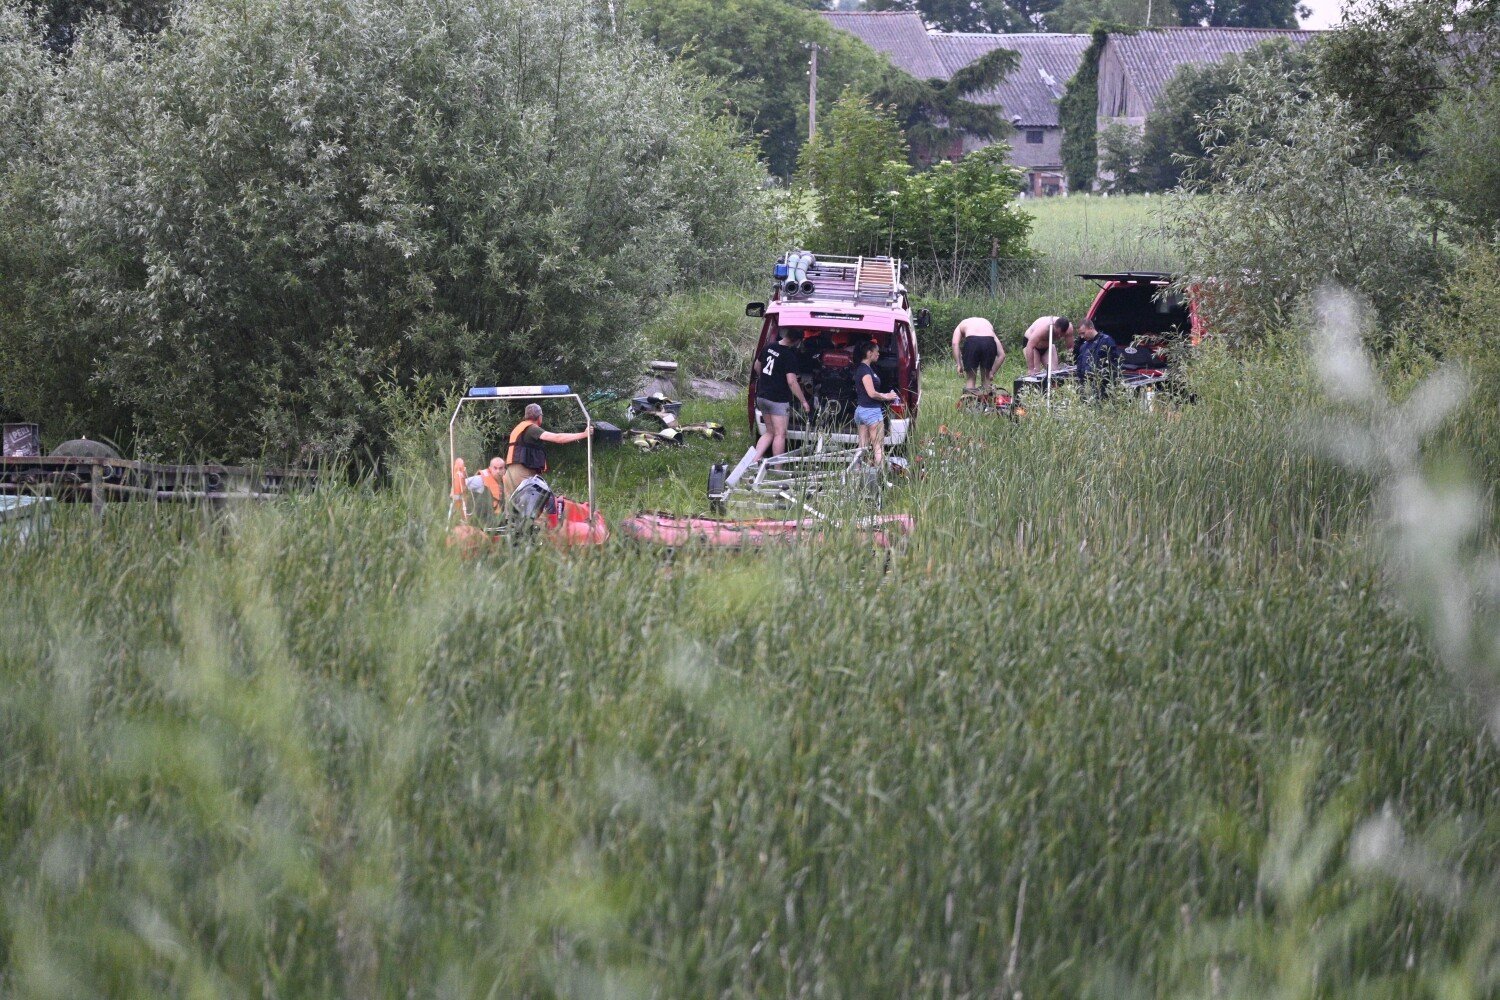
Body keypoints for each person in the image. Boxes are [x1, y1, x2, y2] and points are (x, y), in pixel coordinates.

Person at [501, 403, 592, 496]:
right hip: (521, 475)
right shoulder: (532, 429)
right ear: (539, 417)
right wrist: (584, 434)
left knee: (512, 509)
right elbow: (558, 438)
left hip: (511, 474)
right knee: (534, 506)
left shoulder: (520, 427)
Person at [750, 326, 811, 462]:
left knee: (769, 432)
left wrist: (767, 380)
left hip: (762, 396)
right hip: (778, 400)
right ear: (797, 341)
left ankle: (753, 461)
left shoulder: (769, 347)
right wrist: (804, 401)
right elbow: (792, 382)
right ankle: (778, 468)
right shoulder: (789, 356)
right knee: (780, 434)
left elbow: (756, 367)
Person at [852, 338, 899, 470]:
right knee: (878, 446)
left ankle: (856, 472)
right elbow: (872, 393)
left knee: (862, 445)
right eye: (876, 352)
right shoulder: (865, 371)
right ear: (869, 353)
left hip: (861, 411)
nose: (879, 354)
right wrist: (887, 396)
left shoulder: (862, 368)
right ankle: (881, 477)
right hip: (871, 412)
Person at [951, 316, 1005, 395]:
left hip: (972, 342)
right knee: (986, 379)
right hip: (989, 342)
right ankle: (988, 405)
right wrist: (991, 372)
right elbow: (1002, 355)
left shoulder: (961, 325)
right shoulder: (987, 326)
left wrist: (959, 365)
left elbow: (955, 344)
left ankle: (970, 403)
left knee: (971, 379)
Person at [1073, 318, 1120, 398]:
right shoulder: (1083, 346)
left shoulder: (1106, 341)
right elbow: (1080, 367)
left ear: (1090, 328)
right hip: (1086, 387)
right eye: (1080, 334)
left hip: (1103, 387)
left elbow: (1114, 365)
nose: (1082, 336)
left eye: (1083, 333)